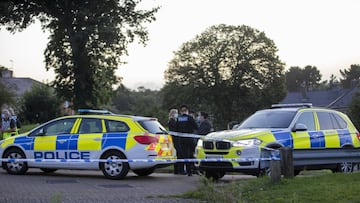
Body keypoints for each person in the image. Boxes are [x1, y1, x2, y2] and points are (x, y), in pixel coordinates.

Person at [176, 104, 198, 176]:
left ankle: (188, 171)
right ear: (187, 111)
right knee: (192, 154)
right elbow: (196, 127)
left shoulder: (178, 119)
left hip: (182, 139)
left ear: (181, 111)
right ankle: (192, 169)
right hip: (190, 138)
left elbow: (176, 129)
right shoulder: (190, 118)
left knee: (185, 155)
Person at [167, 108, 185, 174]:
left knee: (178, 154)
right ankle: (179, 170)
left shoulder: (174, 120)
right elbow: (174, 130)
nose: (177, 114)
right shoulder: (172, 121)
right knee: (180, 154)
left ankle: (177, 170)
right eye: (176, 113)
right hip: (175, 139)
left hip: (176, 139)